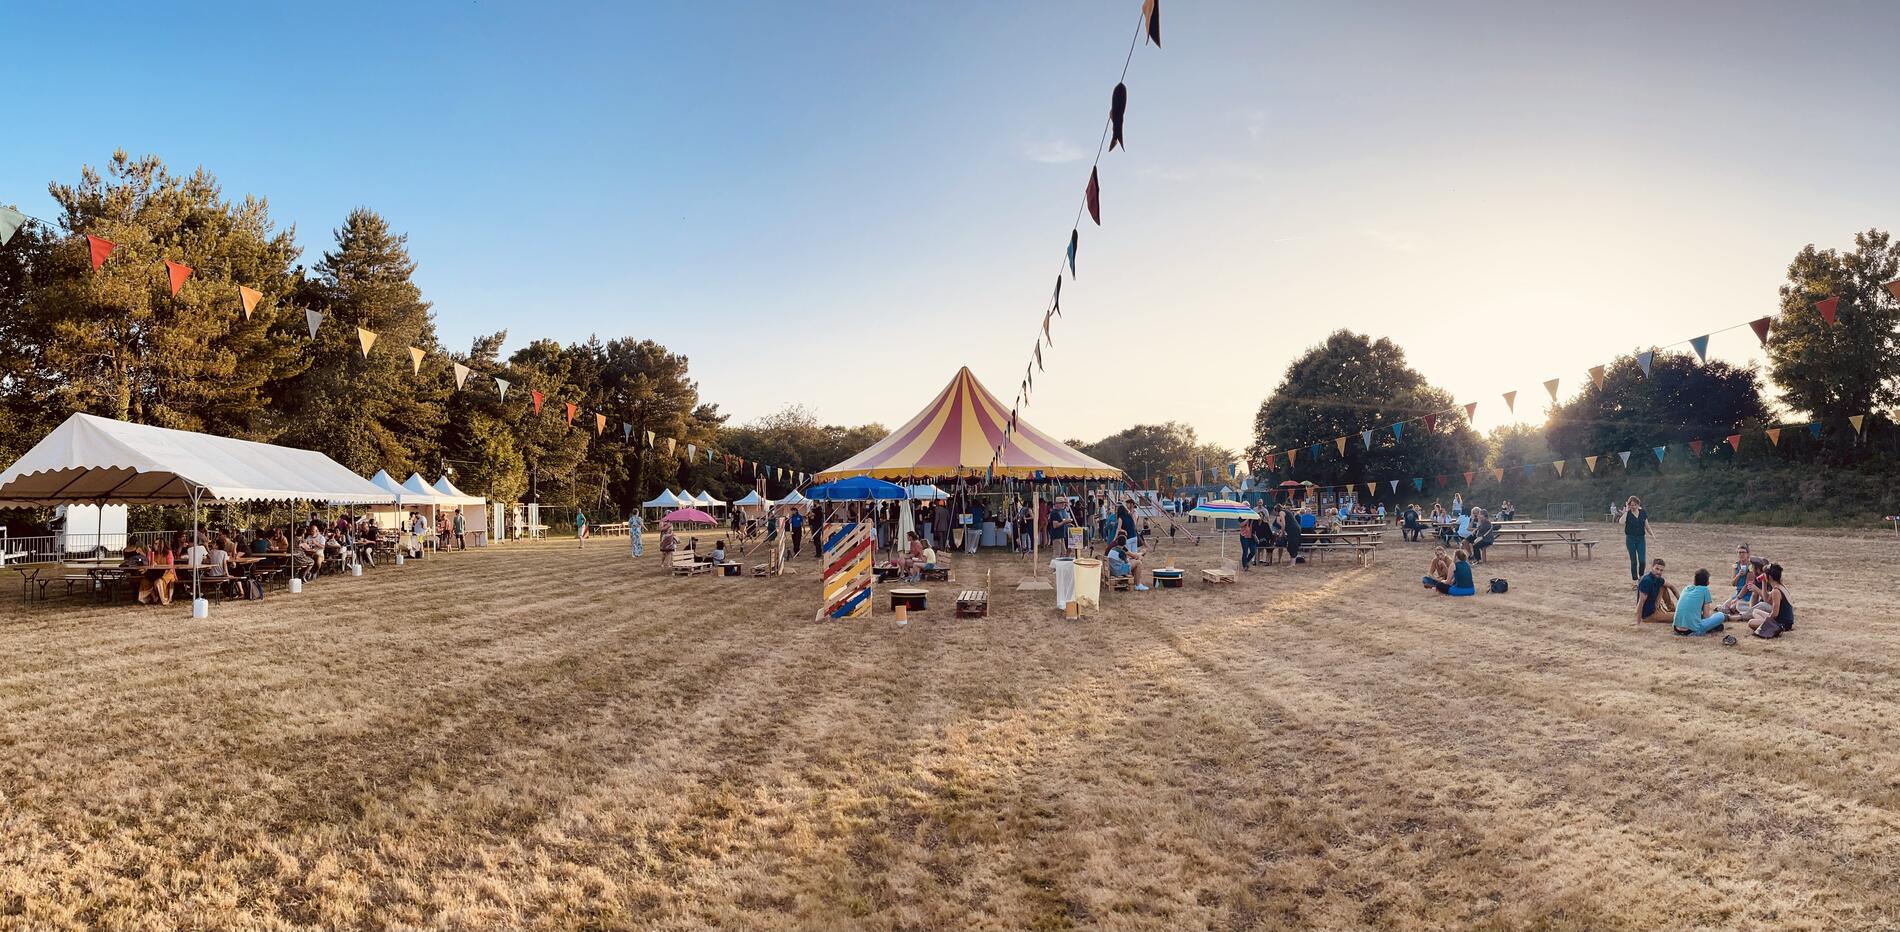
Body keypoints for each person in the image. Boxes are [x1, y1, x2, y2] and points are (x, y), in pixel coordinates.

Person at [1742, 563, 1793, 638]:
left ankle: (1774, 629)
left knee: (1751, 622)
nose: (1763, 575)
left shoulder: (1776, 591)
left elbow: (1775, 614)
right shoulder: (1780, 586)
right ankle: (1769, 626)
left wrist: (1767, 621)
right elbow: (1766, 600)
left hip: (1782, 624)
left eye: (1764, 574)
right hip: (1784, 621)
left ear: (1769, 577)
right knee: (1755, 611)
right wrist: (1764, 582)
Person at [1672, 568, 1726, 636]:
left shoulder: (1686, 588)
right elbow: (1706, 616)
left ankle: (1711, 627)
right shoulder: (1704, 590)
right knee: (1720, 615)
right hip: (1691, 631)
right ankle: (1711, 627)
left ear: (1694, 580)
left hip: (1676, 628)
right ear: (1707, 582)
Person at [1621, 495, 1656, 584]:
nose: (1633, 507)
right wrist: (1626, 511)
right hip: (1630, 539)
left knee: (1642, 560)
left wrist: (1652, 534)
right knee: (1634, 561)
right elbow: (1621, 522)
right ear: (1629, 505)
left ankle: (1641, 577)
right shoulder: (1627, 513)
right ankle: (1635, 580)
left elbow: (1647, 525)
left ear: (1638, 504)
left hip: (1641, 539)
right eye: (1631, 505)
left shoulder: (1642, 512)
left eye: (1635, 505)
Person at [1635, 558, 1677, 623]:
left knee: (1663, 586)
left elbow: (1672, 587)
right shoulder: (1646, 581)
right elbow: (1640, 603)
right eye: (1657, 569)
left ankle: (1672, 609)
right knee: (1679, 617)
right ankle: (1672, 613)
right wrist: (1638, 623)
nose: (1659, 572)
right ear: (1652, 568)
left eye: (1661, 570)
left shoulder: (1657, 578)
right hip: (1649, 615)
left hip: (1654, 606)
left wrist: (1681, 602)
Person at [139, 541, 176, 606]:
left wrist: (158, 565)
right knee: (145, 581)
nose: (154, 545)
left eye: (156, 544)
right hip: (155, 572)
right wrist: (149, 552)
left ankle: (163, 598)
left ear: (161, 545)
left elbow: (170, 566)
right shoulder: (153, 553)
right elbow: (149, 562)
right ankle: (152, 598)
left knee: (158, 582)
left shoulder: (168, 553)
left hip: (167, 573)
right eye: (154, 543)